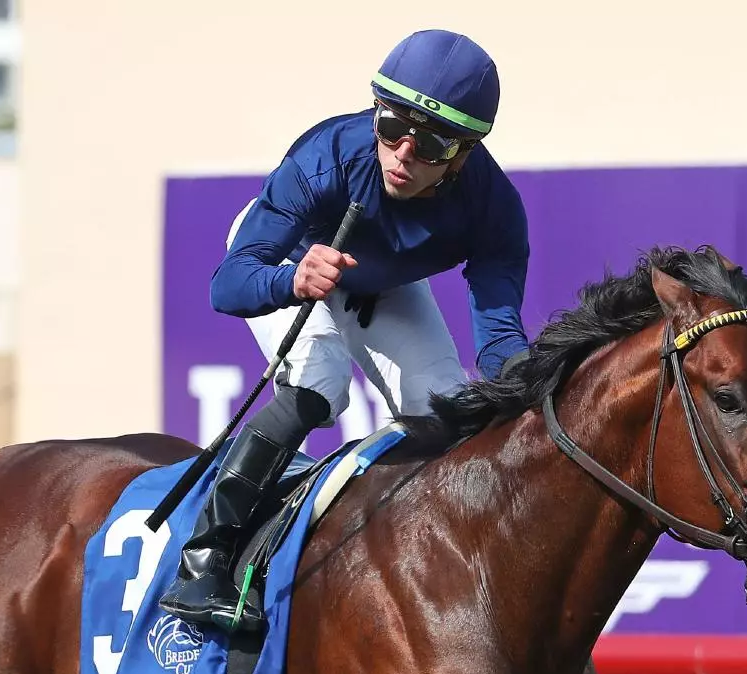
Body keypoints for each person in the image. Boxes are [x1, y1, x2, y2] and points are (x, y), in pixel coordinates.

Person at [158, 29, 531, 631]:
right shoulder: (327, 155)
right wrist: (292, 282)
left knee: (445, 410)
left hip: (382, 283)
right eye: (392, 127)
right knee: (318, 385)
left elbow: (497, 338)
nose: (404, 153)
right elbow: (226, 284)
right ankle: (204, 564)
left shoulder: (495, 209)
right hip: (289, 261)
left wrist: (532, 384)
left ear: (465, 155)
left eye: (433, 142)